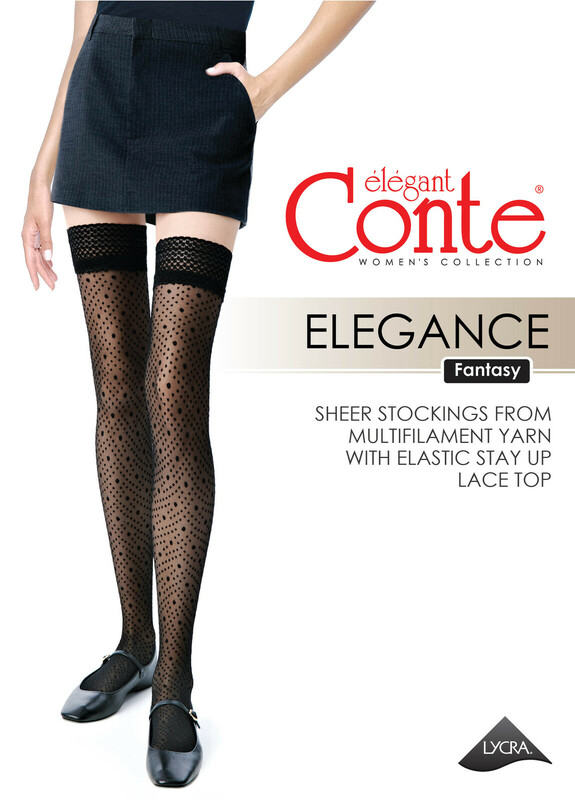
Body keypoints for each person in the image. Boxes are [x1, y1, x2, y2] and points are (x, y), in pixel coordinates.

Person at [21, 0, 375, 788]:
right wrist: (43, 167)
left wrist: (265, 88)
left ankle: (175, 680)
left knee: (171, 387)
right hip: (100, 99)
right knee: (117, 387)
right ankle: (134, 642)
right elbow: (83, 24)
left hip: (202, 100)